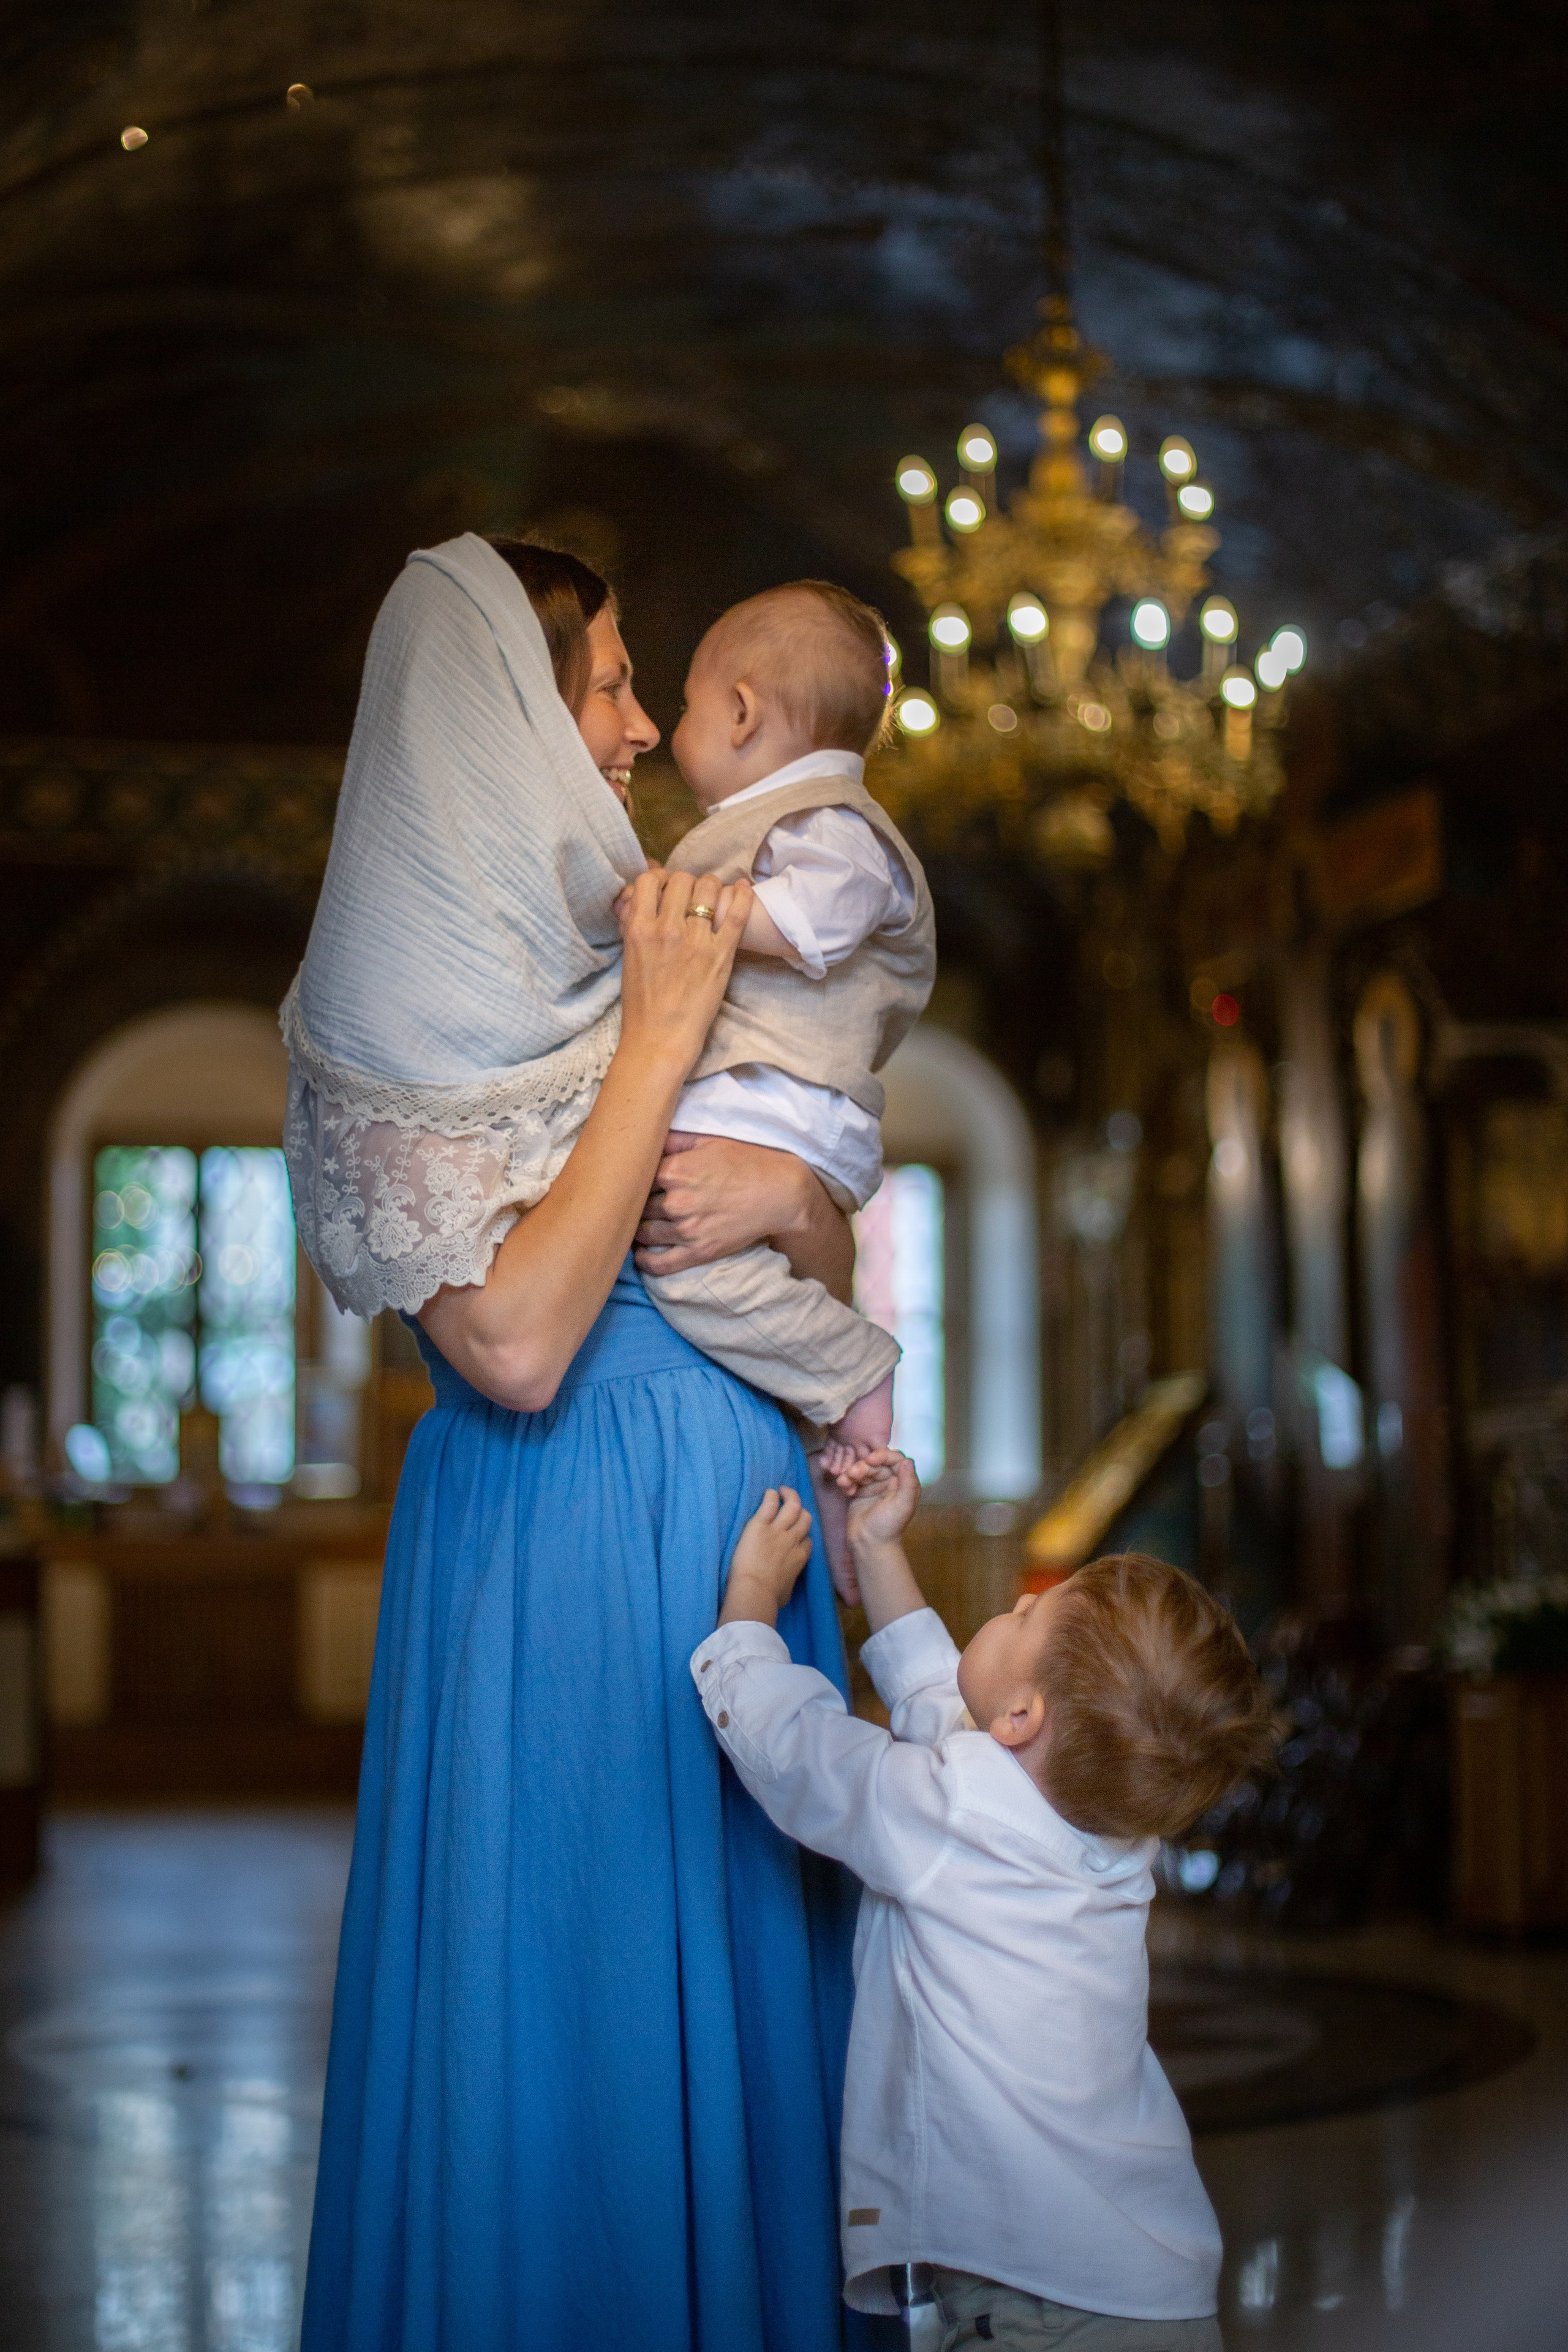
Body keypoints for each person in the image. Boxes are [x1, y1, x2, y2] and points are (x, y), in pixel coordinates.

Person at [285, 532, 884, 2350]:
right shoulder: (383, 1012)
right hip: (554, 1562)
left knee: (754, 1991)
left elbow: (834, 1250)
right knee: (583, 2014)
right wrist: (661, 1034)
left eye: (634, 688)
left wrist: (793, 1189)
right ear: (504, 721)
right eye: (607, 685)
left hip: (746, 1530)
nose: (635, 731)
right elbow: (522, 1340)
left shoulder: (664, 917)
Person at [692, 1452, 1279, 2352]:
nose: (1009, 1609)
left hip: (1037, 2307)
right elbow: (947, 1704)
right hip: (1143, 2284)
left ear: (1023, 1721)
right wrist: (879, 1545)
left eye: (1024, 1615)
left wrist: (749, 1604)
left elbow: (796, 1749)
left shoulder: (957, 1812)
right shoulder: (1107, 1824)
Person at [631, 584, 936, 1550]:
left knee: (688, 1274)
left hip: (784, 1114)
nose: (666, 728)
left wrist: (685, 915)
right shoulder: (779, 822)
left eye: (681, 703)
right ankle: (836, 1469)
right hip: (765, 1112)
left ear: (741, 711)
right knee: (743, 1294)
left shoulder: (833, 821)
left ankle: (852, 1367)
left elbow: (818, 919)